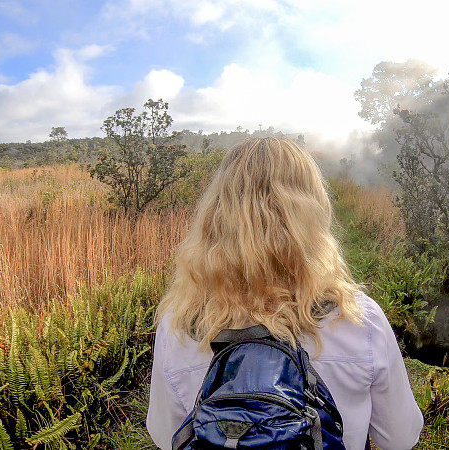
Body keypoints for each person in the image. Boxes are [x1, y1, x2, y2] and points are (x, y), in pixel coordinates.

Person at [146, 137, 423, 450]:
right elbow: (400, 438)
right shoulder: (360, 319)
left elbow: (168, 436)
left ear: (216, 215)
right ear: (312, 213)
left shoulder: (181, 325)